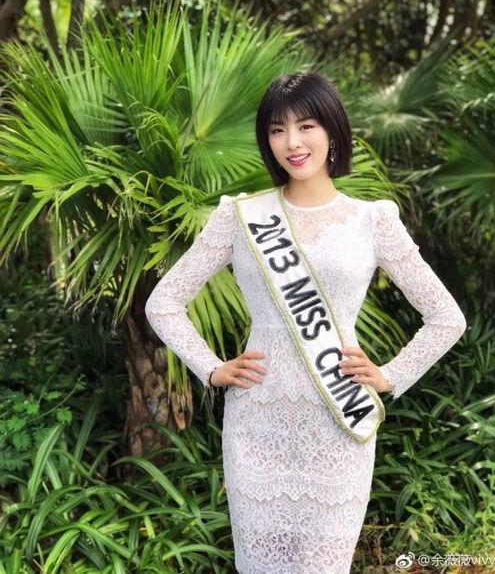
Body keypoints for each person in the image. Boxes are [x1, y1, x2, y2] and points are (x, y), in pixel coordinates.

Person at [145, 71, 467, 573]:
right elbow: (163, 303)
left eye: (306, 126)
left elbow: (446, 318)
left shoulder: (372, 220)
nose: (292, 142)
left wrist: (390, 376)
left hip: (338, 421)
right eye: (277, 130)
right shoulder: (240, 217)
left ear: (333, 131)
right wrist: (210, 367)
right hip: (258, 424)